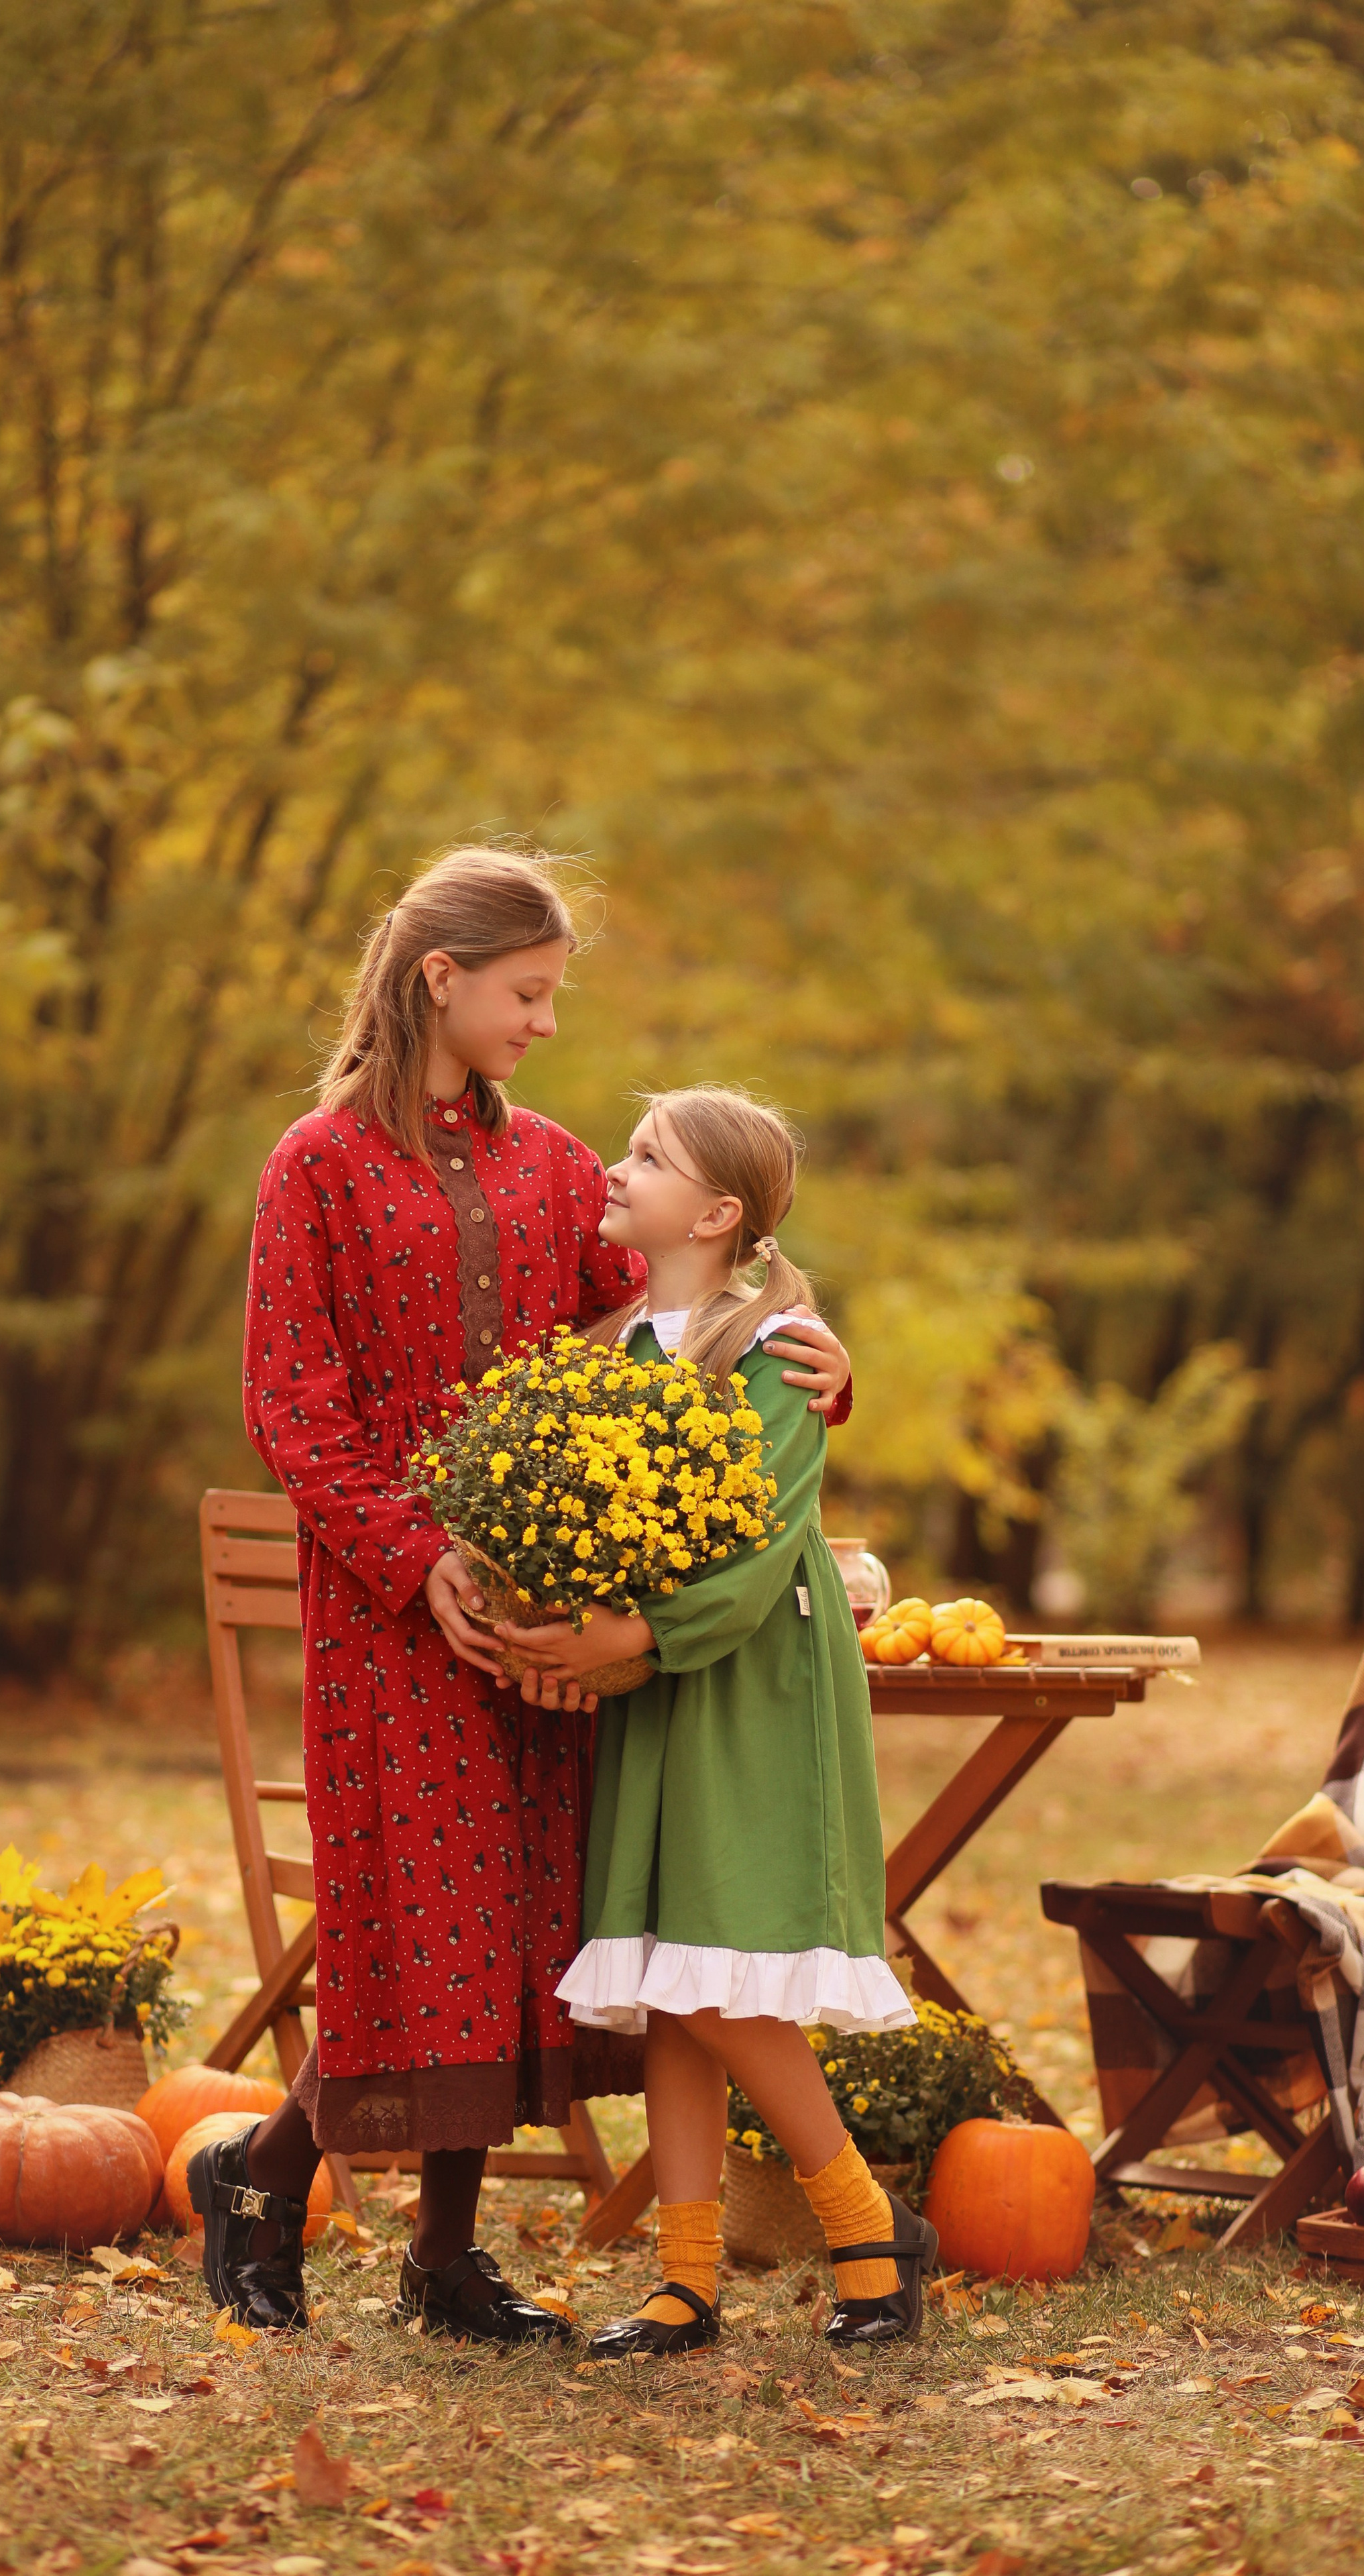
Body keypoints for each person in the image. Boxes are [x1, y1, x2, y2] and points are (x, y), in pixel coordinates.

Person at [191, 849, 855, 2341]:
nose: (546, 1024)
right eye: (528, 993)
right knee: (409, 1914)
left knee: (506, 1930)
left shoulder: (555, 1165)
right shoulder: (313, 1166)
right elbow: (291, 1407)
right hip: (384, 1608)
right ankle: (263, 2175)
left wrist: (811, 1344)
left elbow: (661, 1340)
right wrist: (414, 1562)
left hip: (539, 1608)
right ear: (443, 980)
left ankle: (440, 2257)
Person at [499, 1085, 935, 2355]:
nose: (617, 1168)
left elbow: (753, 1556)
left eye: (647, 1157)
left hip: (750, 1686)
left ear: (720, 1210)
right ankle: (686, 2282)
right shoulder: (622, 1345)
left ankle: (868, 2231)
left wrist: (631, 1637)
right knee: (668, 1976)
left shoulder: (781, 1349)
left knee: (724, 1976)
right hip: (657, 1700)